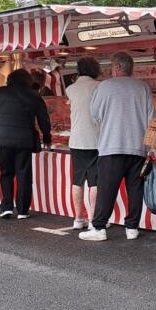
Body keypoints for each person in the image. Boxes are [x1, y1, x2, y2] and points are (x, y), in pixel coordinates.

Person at [79, 52, 154, 242]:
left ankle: (99, 227)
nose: (111, 70)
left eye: (112, 66)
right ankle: (132, 228)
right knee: (135, 188)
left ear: (117, 67)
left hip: (111, 145)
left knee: (107, 188)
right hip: (138, 147)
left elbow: (94, 114)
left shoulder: (104, 87)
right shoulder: (143, 87)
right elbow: (151, 118)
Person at [0, 69, 52, 220]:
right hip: (24, 140)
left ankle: (6, 207)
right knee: (24, 175)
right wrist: (47, 137)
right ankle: (23, 210)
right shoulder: (34, 95)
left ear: (10, 79)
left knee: (6, 173)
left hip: (3, 139)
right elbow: (44, 119)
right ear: (27, 80)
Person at [65, 57, 102, 230]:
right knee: (94, 181)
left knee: (77, 180)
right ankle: (93, 219)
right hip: (95, 139)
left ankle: (78, 218)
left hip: (76, 139)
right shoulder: (99, 87)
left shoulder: (70, 89)